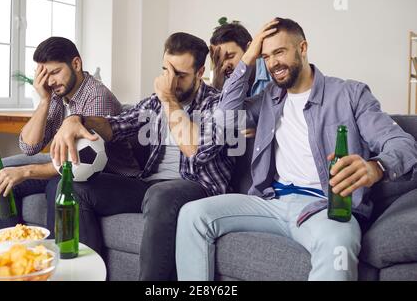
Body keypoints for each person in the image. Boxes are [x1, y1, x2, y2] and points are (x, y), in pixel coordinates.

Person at [175, 18, 417, 281]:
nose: (273, 63)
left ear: (302, 48)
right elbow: (223, 121)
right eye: (266, 56)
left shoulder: (350, 94)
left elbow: (402, 144)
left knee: (338, 245)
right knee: (193, 215)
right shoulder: (269, 97)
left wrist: (376, 166)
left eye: (279, 52)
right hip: (272, 203)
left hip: (325, 207)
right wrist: (248, 58)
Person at [46, 32, 235, 280]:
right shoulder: (154, 104)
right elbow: (116, 126)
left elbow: (196, 150)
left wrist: (168, 99)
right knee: (74, 188)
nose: (171, 82)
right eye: (167, 71)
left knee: (161, 194)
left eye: (180, 75)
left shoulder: (218, 104)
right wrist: (77, 118)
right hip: (151, 185)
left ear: (200, 73)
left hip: (198, 187)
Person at [0, 37, 139, 234]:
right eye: (45, 74)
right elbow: (29, 147)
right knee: (1, 174)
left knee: (57, 186)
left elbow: (77, 163)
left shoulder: (97, 97)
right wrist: (44, 101)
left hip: (109, 175)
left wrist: (25, 172)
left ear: (76, 64)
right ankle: (13, 250)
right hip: (73, 166)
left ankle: (54, 258)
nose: (50, 81)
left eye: (55, 72)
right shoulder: (57, 95)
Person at [210, 22, 272, 96]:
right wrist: (218, 87)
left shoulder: (272, 71)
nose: (225, 65)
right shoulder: (225, 80)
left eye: (230, 56)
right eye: (219, 59)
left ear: (249, 49)